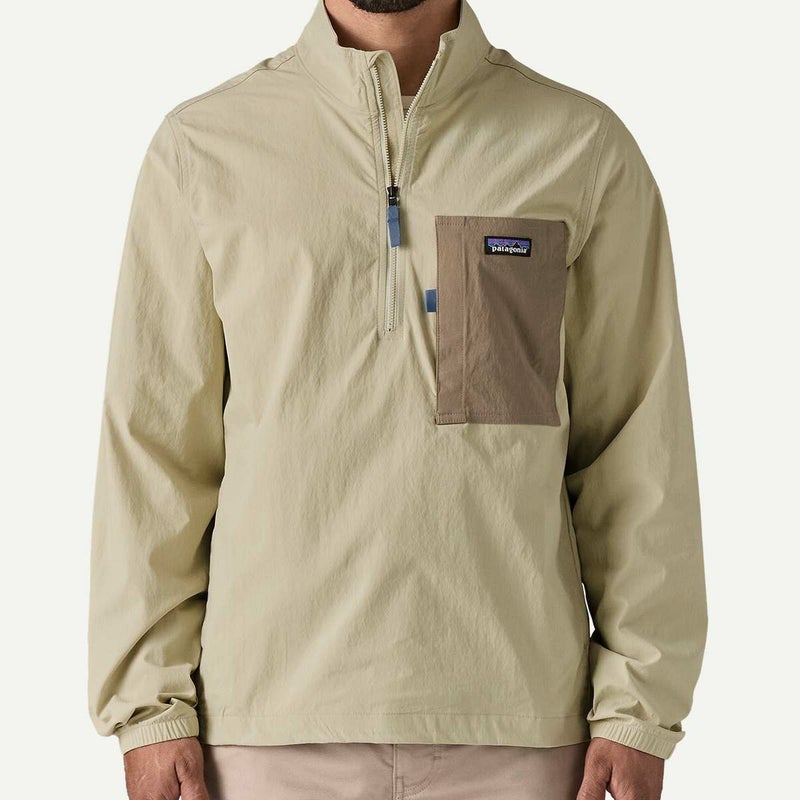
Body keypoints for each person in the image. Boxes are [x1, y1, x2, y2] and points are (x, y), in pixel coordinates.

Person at [88, 0, 707, 798]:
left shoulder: (582, 150)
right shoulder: (202, 149)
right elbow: (155, 456)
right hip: (263, 738)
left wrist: (637, 712)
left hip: (517, 736)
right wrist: (148, 709)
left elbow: (637, 445)